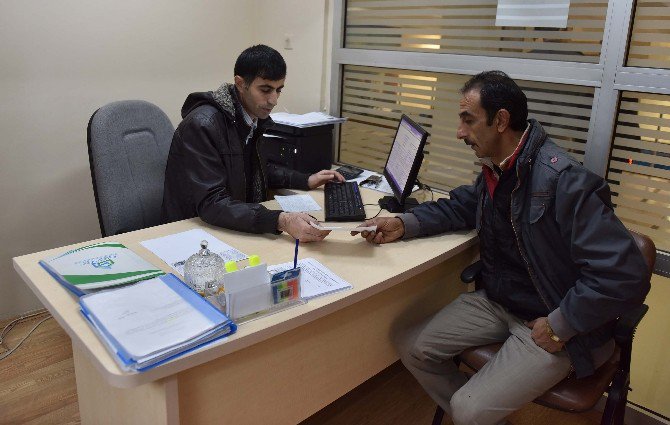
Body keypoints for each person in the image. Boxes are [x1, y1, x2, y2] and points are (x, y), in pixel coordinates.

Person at [354, 71, 650, 424]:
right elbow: (463, 205)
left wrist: (561, 324)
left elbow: (625, 273)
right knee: (409, 344)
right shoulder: (498, 171)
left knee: (467, 409)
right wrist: (405, 223)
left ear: (501, 121)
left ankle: (472, 412)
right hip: (500, 302)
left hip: (552, 319)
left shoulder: (564, 181)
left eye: (468, 120)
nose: (459, 133)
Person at [162, 44, 343, 242]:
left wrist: (306, 179)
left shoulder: (251, 117)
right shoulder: (202, 125)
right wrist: (280, 220)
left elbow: (257, 168)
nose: (273, 100)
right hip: (191, 231)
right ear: (240, 83)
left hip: (228, 223)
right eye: (265, 90)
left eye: (278, 90)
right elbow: (211, 203)